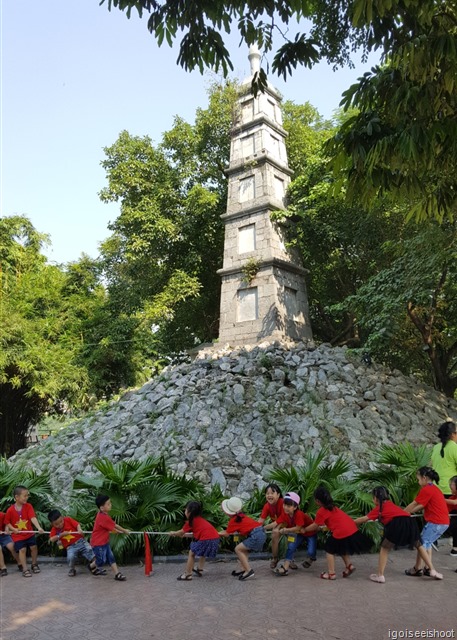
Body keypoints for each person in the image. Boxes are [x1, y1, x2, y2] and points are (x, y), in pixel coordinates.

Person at [354, 486, 441, 583]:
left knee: (384, 548)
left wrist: (351, 523)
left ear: (375, 498)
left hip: (396, 524)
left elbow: (363, 519)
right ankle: (432, 570)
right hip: (410, 522)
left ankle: (380, 575)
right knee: (419, 545)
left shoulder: (379, 508)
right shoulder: (391, 504)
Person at [302, 487, 371, 580]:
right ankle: (349, 566)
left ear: (317, 501)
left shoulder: (321, 511)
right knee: (341, 547)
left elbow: (315, 526)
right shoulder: (333, 507)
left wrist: (305, 529)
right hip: (351, 529)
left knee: (329, 549)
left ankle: (331, 574)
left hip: (341, 531)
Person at [404, 466, 449, 579]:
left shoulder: (427, 489)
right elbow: (420, 505)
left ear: (424, 478)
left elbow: (415, 504)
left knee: (421, 545)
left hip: (436, 522)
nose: (418, 481)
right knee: (425, 543)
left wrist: (402, 512)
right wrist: (406, 513)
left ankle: (423, 568)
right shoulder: (433, 488)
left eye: (418, 479)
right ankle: (422, 568)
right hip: (440, 522)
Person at [169, 500, 220, 581]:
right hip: (215, 539)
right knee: (202, 552)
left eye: (185, 509)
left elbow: (181, 532)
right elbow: (196, 533)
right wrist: (184, 535)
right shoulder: (200, 520)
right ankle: (199, 568)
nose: (184, 511)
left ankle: (188, 574)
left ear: (189, 512)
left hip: (206, 539)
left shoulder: (190, 522)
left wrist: (173, 533)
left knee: (191, 553)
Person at [220, 496, 266, 581]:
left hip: (255, 535)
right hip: (260, 533)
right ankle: (243, 569)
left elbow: (226, 533)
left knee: (238, 549)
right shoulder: (241, 516)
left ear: (228, 512)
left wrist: (216, 533)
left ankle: (248, 571)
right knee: (244, 550)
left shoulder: (233, 520)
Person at [270, 491, 316, 576]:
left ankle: (311, 558)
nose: (285, 508)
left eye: (289, 506)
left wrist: (286, 530)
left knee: (311, 552)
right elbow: (276, 523)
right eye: (284, 505)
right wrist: (262, 528)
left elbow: (298, 527)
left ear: (295, 507)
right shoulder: (286, 514)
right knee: (291, 547)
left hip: (310, 533)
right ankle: (285, 568)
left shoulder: (299, 514)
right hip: (299, 533)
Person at [4, 485, 44, 578]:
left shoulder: (28, 506)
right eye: (25, 496)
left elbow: (32, 517)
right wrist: (14, 529)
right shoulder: (10, 510)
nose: (27, 497)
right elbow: (7, 523)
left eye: (27, 495)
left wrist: (38, 527)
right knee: (22, 550)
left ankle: (34, 564)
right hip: (18, 536)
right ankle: (25, 569)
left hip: (29, 533)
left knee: (33, 547)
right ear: (17, 497)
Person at [90, 495, 130, 581]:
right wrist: (124, 531)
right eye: (108, 504)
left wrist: (117, 531)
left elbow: (109, 527)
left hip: (104, 542)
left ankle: (117, 574)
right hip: (98, 543)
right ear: (102, 508)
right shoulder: (103, 517)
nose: (110, 505)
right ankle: (91, 566)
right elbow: (115, 525)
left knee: (111, 557)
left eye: (110, 503)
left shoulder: (103, 515)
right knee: (101, 561)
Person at [48, 509, 97, 577]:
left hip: (81, 542)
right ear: (52, 524)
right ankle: (72, 569)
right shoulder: (54, 529)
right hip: (70, 546)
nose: (60, 524)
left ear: (62, 517)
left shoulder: (68, 519)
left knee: (90, 550)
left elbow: (77, 524)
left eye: (61, 521)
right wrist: (61, 535)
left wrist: (79, 529)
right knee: (70, 557)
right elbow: (52, 539)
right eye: (56, 524)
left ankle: (93, 566)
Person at [257, 484, 284, 569]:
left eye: (272, 493)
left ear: (278, 495)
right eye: (267, 493)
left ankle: (289, 560)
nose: (269, 495)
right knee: (275, 533)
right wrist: (254, 528)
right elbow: (260, 521)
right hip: (278, 525)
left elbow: (280, 521)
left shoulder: (283, 503)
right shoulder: (267, 506)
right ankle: (275, 558)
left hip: (288, 524)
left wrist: (264, 528)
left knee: (275, 531)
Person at [430, 420, 457, 495]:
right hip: (451, 489)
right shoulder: (454, 448)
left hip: (436, 488)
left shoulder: (436, 447)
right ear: (453, 434)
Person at [0, 510, 21, 576]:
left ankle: (20, 563)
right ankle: (3, 568)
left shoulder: (2, 515)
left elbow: (7, 522)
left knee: (12, 546)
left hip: (4, 535)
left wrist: (7, 528)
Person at [444, 476, 457, 559]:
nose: (449, 486)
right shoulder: (452, 497)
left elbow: (455, 502)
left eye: (451, 484)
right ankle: (455, 547)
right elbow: (447, 509)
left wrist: (440, 499)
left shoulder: (453, 499)